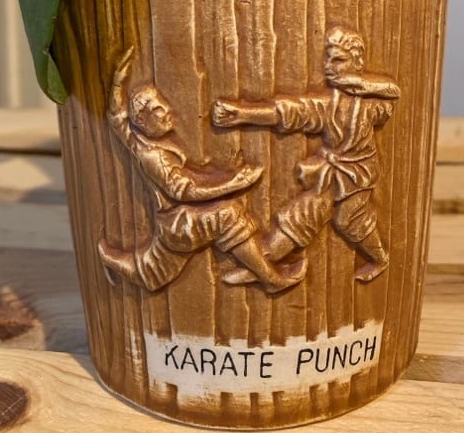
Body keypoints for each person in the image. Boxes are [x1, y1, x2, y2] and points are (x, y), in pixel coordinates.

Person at [98, 49, 305, 293]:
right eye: (156, 110)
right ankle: (270, 279)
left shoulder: (139, 142)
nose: (165, 110)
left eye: (161, 104)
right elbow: (184, 191)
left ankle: (109, 260)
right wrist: (234, 183)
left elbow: (117, 118)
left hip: (175, 224)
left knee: (155, 274)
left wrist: (118, 82)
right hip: (180, 222)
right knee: (227, 216)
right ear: (142, 122)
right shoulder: (153, 156)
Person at [212, 29, 400, 284]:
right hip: (331, 173)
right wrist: (244, 114)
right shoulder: (329, 105)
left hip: (358, 174)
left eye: (338, 60)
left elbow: (393, 94)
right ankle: (263, 264)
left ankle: (380, 258)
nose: (329, 66)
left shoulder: (370, 105)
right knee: (302, 214)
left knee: (349, 221)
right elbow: (292, 113)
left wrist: (360, 84)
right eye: (328, 59)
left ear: (356, 63)